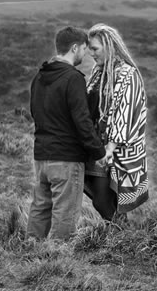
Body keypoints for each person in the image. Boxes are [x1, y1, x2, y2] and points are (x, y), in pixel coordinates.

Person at [27, 26, 108, 240]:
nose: (86, 53)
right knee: (65, 212)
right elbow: (82, 122)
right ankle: (57, 261)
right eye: (83, 48)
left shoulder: (39, 76)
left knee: (41, 208)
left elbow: (35, 113)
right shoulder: (73, 79)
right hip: (66, 159)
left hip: (42, 157)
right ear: (74, 48)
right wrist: (99, 153)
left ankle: (29, 252)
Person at [84, 23, 149, 220]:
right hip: (97, 146)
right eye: (90, 50)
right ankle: (119, 239)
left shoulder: (127, 74)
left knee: (102, 199)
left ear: (109, 45)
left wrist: (110, 148)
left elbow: (126, 112)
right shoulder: (97, 72)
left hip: (115, 151)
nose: (91, 54)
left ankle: (122, 238)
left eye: (95, 49)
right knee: (100, 197)